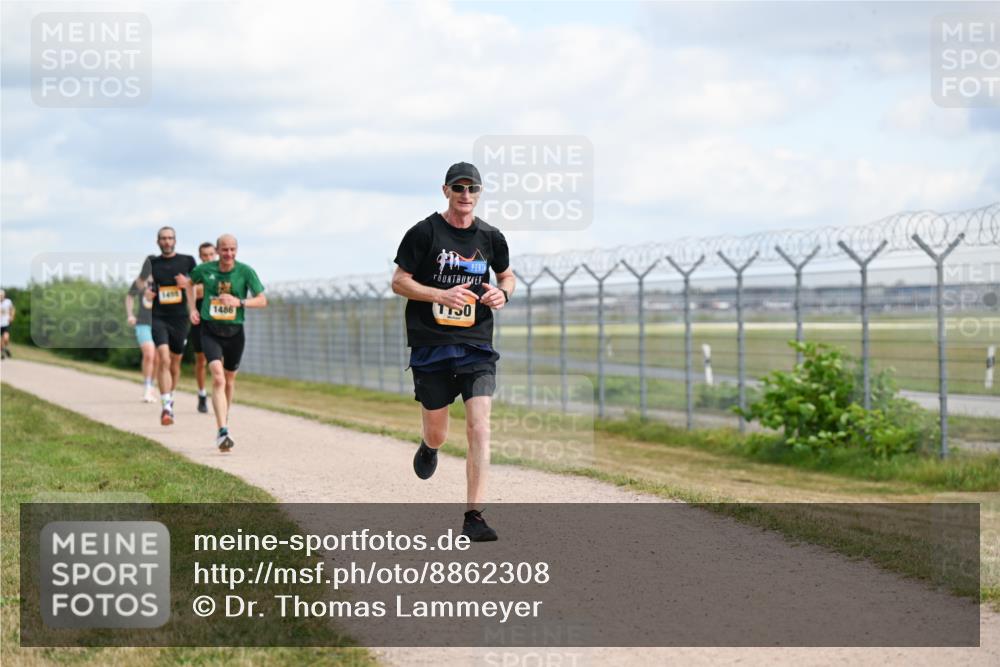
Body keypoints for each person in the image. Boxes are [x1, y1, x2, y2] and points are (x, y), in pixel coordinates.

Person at [391, 162, 515, 542]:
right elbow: (399, 282)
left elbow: (506, 274)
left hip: (476, 343)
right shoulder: (423, 232)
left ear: (479, 193)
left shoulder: (491, 236)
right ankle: (429, 448)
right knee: (439, 432)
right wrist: (438, 294)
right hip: (431, 344)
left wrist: (502, 293)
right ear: (445, 191)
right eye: (458, 188)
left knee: (479, 426)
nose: (465, 195)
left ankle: (474, 516)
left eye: (472, 188)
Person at [185, 234, 267, 451]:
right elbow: (189, 284)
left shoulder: (245, 271)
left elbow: (262, 299)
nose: (228, 254)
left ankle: (224, 422)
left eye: (232, 249)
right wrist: (192, 309)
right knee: (219, 379)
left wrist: (238, 301)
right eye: (224, 250)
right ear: (218, 250)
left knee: (229, 380)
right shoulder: (205, 270)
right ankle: (222, 431)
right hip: (210, 331)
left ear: (236, 250)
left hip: (235, 333)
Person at [138, 227, 197, 426]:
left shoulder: (187, 261)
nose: (167, 241)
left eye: (170, 238)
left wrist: (187, 284)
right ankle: (166, 407)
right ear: (158, 241)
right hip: (159, 317)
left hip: (180, 318)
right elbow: (144, 286)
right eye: (163, 238)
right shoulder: (152, 263)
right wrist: (147, 294)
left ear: (175, 240)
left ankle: (169, 397)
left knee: (175, 363)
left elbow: (199, 287)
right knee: (163, 358)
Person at [190, 242, 219, 413]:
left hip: (218, 321)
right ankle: (202, 394)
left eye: (211, 254)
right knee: (201, 360)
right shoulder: (197, 273)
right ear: (200, 257)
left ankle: (219, 394)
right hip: (200, 322)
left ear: (215, 254)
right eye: (204, 255)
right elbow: (194, 291)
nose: (208, 258)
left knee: (219, 361)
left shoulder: (222, 271)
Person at [125, 276, 158, 402]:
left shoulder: (162, 281)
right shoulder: (140, 282)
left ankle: (152, 386)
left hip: (159, 324)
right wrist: (130, 315)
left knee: (158, 358)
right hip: (143, 323)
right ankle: (147, 387)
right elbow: (129, 296)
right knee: (149, 354)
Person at [0, 290, 15, 359]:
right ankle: (3, 352)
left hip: (5, 323)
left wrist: (11, 317)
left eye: (1, 295)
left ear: (4, 295)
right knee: (1, 340)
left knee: (5, 338)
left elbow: (12, 309)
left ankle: (5, 348)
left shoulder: (8, 302)